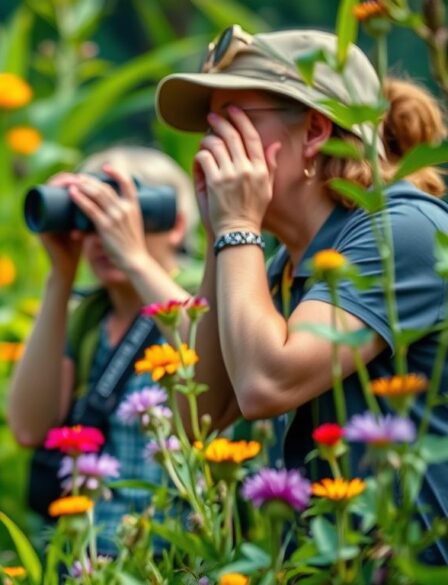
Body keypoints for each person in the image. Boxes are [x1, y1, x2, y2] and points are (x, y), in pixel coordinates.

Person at [155, 27, 448, 563]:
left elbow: (267, 382)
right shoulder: (281, 267)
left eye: (234, 124)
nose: (210, 149)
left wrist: (237, 224)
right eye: (210, 130)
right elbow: (195, 414)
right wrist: (222, 234)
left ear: (314, 130)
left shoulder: (402, 231)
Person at [7, 145, 199, 549]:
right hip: (88, 559)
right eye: (89, 219)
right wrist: (60, 275)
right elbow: (28, 427)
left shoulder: (202, 297)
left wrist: (134, 259)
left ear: (176, 224)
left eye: (122, 216)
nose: (103, 235)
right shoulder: (90, 317)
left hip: (178, 558)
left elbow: (217, 379)